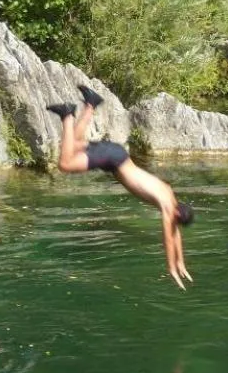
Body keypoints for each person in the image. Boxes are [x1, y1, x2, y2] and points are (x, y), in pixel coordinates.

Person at [49, 85, 195, 288]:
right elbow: (168, 239)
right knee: (65, 164)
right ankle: (67, 114)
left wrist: (181, 263)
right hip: (113, 160)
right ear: (177, 215)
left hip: (117, 155)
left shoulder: (170, 197)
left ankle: (91, 103)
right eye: (175, 221)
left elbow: (174, 233)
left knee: (73, 143)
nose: (172, 223)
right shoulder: (167, 207)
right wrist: (171, 267)